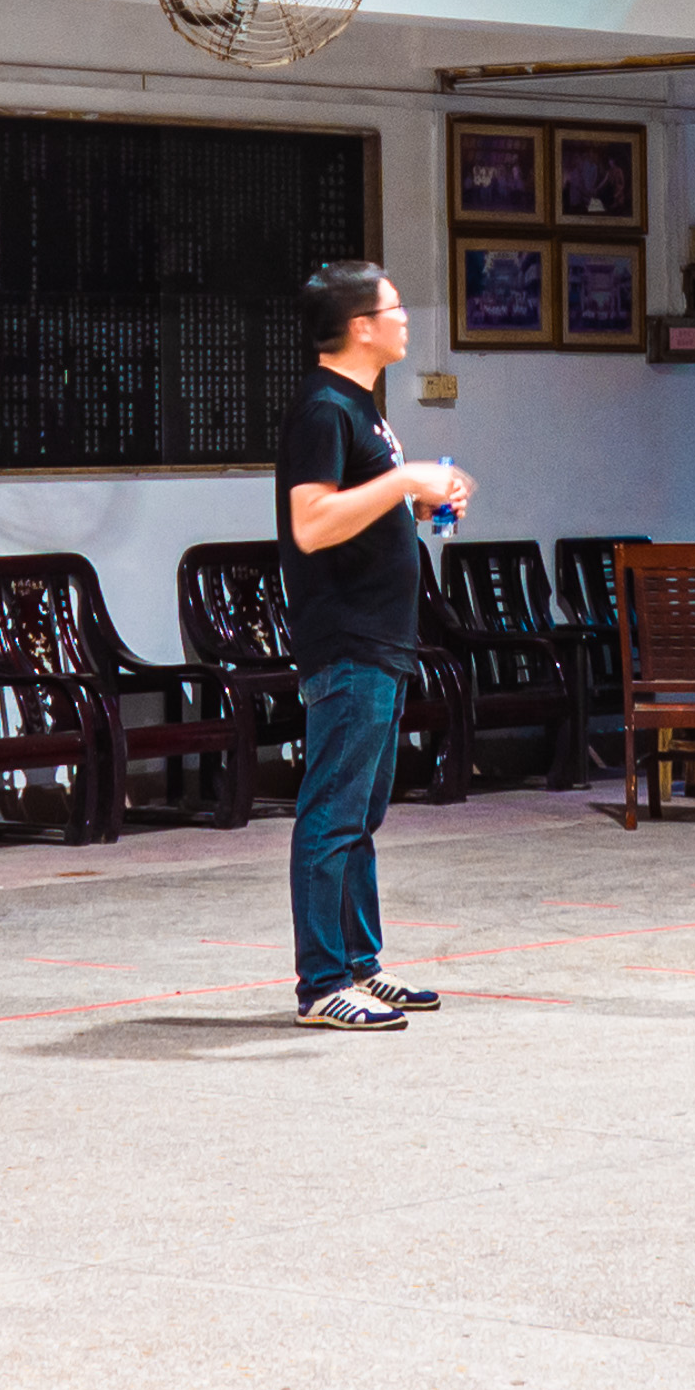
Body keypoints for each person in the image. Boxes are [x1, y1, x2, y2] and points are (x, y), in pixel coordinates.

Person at [275, 259, 470, 1031]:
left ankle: (361, 964)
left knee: (361, 812)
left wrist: (415, 503)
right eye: (394, 309)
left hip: (382, 639)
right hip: (347, 639)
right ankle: (321, 982)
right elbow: (312, 522)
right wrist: (402, 482)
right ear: (361, 327)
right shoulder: (324, 409)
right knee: (332, 813)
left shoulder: (361, 408)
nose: (405, 319)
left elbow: (358, 511)